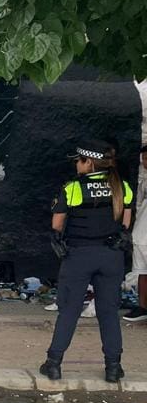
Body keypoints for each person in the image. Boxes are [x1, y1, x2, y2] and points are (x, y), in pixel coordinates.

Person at [40, 141, 133, 382]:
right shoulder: (122, 186)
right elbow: (125, 224)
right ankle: (113, 367)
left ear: (89, 163)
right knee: (109, 313)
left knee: (69, 311)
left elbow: (57, 225)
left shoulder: (73, 188)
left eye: (79, 160)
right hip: (111, 257)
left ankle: (54, 364)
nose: (76, 163)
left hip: (79, 256)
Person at [124, 143, 147, 322]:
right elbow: (138, 206)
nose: (145, 162)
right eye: (144, 158)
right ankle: (142, 307)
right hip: (141, 235)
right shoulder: (144, 181)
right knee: (141, 272)